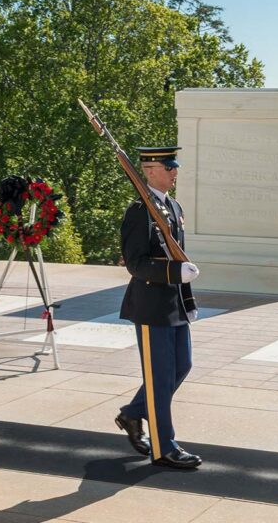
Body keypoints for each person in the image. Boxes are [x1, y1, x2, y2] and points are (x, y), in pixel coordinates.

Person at [115, 146, 202, 469]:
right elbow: (136, 264)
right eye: (169, 167)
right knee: (160, 377)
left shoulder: (172, 206)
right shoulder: (139, 211)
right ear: (150, 170)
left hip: (174, 304)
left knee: (181, 367)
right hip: (151, 305)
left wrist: (185, 291)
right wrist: (173, 273)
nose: (175, 172)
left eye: (175, 166)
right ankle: (164, 447)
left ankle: (133, 413)